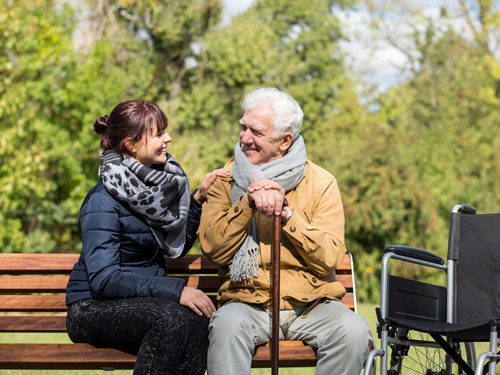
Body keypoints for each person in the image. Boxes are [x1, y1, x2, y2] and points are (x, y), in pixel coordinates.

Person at [198, 88, 374, 375]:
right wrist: (246, 203)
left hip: (312, 305)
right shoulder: (224, 180)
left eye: (255, 131)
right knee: (227, 326)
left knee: (353, 330)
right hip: (247, 302)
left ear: (284, 141)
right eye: (243, 127)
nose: (244, 138)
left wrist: (288, 216)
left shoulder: (321, 182)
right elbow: (213, 248)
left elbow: (330, 257)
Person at [65, 100, 229, 375]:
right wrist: (177, 291)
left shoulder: (154, 191)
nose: (168, 138)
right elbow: (104, 280)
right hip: (91, 308)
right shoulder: (101, 200)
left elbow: (174, 245)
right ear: (131, 144)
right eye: (158, 133)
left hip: (141, 302)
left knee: (199, 322)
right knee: (169, 319)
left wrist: (198, 198)